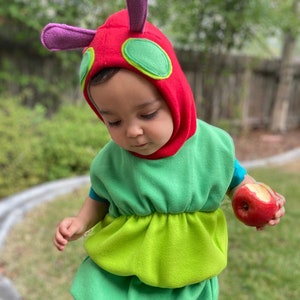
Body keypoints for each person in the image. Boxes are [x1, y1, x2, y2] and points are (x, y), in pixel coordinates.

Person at [41, 5, 285, 300]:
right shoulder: (113, 159)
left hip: (186, 274)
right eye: (114, 121)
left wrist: (263, 201)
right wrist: (80, 222)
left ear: (175, 97)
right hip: (120, 275)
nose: (132, 131)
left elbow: (238, 182)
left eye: (147, 114)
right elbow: (101, 195)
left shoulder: (209, 146)